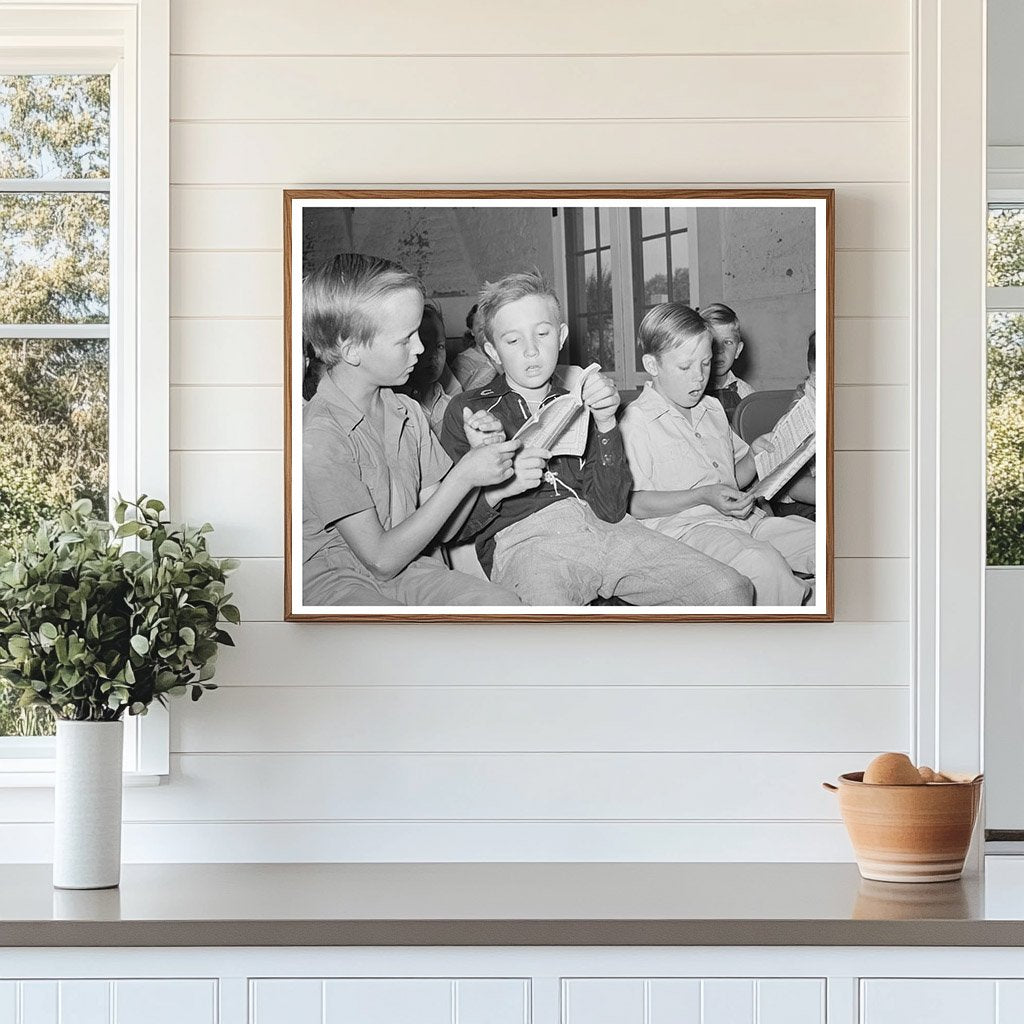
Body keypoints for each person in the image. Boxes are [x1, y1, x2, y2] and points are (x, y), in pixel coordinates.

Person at [438, 271, 754, 607]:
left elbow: (612, 509)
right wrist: (502, 487)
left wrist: (605, 424)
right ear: (493, 351)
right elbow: (451, 529)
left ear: (560, 336)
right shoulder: (470, 410)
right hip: (526, 541)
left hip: (605, 530)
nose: (531, 351)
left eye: (542, 334)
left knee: (729, 588)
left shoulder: (580, 399)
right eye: (513, 341)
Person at [301, 253, 523, 607]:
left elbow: (444, 529)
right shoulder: (319, 435)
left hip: (411, 571)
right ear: (351, 349)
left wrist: (474, 463)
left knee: (505, 607)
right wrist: (462, 477)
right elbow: (380, 560)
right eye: (405, 339)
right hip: (336, 582)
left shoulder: (409, 412)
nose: (420, 349)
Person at [619, 302, 815, 607]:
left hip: (744, 521)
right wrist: (702, 496)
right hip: (688, 532)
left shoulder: (711, 409)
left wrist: (754, 457)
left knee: (825, 544)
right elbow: (635, 503)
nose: (698, 377)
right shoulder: (635, 422)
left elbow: (732, 480)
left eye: (706, 363)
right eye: (685, 367)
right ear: (652, 365)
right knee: (763, 566)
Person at [397, 301, 459, 437]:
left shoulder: (452, 406)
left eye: (439, 346)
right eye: (424, 345)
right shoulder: (396, 407)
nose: (433, 356)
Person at [700, 302, 754, 421]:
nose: (719, 350)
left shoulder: (746, 394)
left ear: (738, 350)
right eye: (713, 342)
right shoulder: (691, 391)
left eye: (728, 342)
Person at [451, 302, 497, 391]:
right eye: (481, 328)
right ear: (472, 331)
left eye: (489, 326)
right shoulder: (463, 361)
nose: (486, 332)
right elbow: (464, 395)